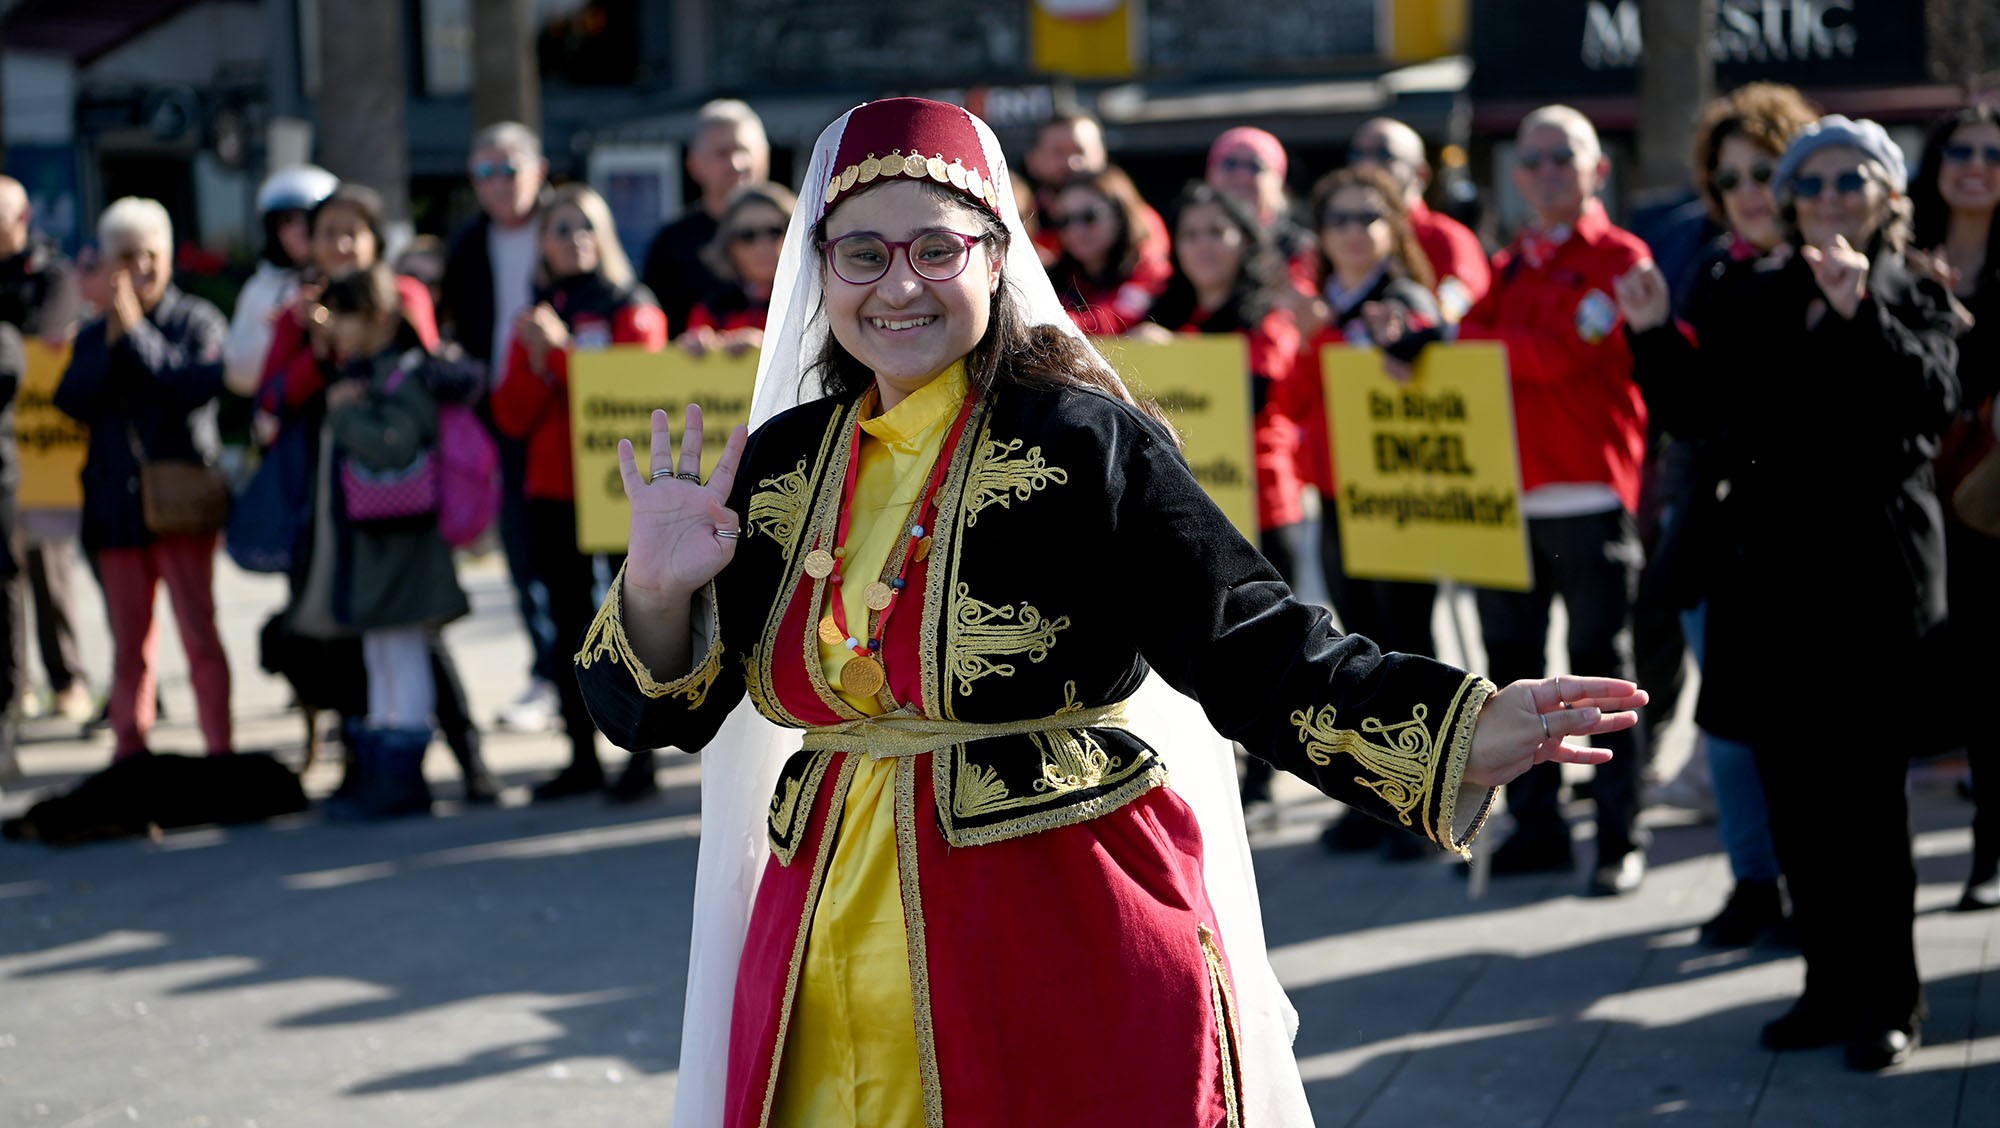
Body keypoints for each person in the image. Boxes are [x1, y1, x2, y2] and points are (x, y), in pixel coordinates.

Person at [572, 96, 1643, 1125]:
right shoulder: (782, 465)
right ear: (821, 271)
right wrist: (660, 592)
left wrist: (1453, 731)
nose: (898, 285)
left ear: (995, 257)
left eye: (935, 249)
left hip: (1053, 919)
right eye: (862, 253)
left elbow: (1247, 638)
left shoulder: (1082, 440)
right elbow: (663, 711)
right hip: (817, 926)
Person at [1617, 115, 1956, 1070]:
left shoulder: (1913, 288)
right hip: (1769, 579)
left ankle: (1893, 996)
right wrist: (1652, 333)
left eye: (1855, 181)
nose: (1831, 197)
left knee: (1870, 809)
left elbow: (1929, 404)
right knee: (1796, 799)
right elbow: (1703, 417)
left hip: (1873, 583)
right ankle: (1828, 985)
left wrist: (1863, 316)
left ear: (1890, 196)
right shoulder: (1749, 287)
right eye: (1813, 184)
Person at [1388, 106, 1655, 896]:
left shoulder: (1619, 255)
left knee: (1606, 672)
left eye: (1559, 158)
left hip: (1590, 493)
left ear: (1596, 169)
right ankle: (1537, 828)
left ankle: (1618, 837)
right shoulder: (1513, 264)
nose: (1542, 172)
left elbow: (1563, 356)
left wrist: (1450, 342)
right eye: (1530, 160)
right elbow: (1476, 345)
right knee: (1514, 678)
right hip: (1510, 502)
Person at [1647, 82, 1819, 947]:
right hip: (1720, 540)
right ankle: (1757, 882)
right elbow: (1696, 412)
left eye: (1765, 171)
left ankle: (1817, 887)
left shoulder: (1836, 274)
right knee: (1729, 727)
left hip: (1811, 548)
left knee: (1806, 735)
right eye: (1730, 178)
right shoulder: (1713, 273)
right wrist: (1650, 335)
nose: (1750, 191)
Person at [260, 185, 496, 803]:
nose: (340, 243)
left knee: (411, 644)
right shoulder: (305, 310)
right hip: (343, 506)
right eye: (327, 230)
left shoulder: (397, 307)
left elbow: (408, 405)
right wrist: (316, 346)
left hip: (400, 510)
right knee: (368, 644)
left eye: (352, 231)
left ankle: (452, 762)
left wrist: (349, 409)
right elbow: (274, 393)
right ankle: (370, 768)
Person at [492, 184, 667, 802]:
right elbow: (510, 415)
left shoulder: (632, 307)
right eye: (560, 229)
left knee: (633, 628)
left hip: (620, 492)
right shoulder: (536, 315)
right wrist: (541, 362)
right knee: (570, 626)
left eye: (585, 226)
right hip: (554, 492)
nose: (574, 239)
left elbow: (635, 393)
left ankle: (640, 759)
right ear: (541, 244)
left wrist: (562, 356)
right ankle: (580, 755)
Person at [53, 197, 232, 762]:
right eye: (128, 257)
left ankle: (220, 752)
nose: (142, 269)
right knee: (130, 646)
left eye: (151, 255)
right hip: (117, 509)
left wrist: (134, 332)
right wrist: (111, 337)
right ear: (109, 264)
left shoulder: (197, 319)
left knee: (199, 636)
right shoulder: (92, 334)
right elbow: (71, 401)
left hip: (181, 505)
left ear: (170, 257)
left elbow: (190, 384)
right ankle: (131, 754)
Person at [304, 264, 483, 819]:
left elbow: (393, 444)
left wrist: (348, 415)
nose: (332, 324)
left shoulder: (405, 375)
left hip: (405, 544)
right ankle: (386, 768)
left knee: (401, 654)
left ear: (379, 317)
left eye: (344, 312)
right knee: (383, 652)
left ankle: (404, 776)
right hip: (385, 542)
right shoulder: (378, 372)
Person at [440, 120, 562, 734]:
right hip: (499, 410)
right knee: (520, 548)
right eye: (485, 171)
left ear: (539, 170)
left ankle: (586, 674)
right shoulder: (465, 245)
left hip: (568, 407)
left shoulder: (565, 224)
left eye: (509, 168)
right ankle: (545, 671)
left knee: (577, 557)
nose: (498, 183)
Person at [1911, 105, 2000, 912]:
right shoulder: (1904, 264)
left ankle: (1988, 854)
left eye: (1992, 153)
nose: (1975, 164)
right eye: (1960, 151)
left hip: (1996, 502)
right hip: (1927, 506)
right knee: (1971, 682)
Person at [0, 174, 91, 730]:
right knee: (4, 575)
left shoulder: (50, 272)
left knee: (48, 566)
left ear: (23, 218)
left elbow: (42, 335)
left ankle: (69, 679)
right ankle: (16, 688)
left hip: (49, 449)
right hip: (5, 449)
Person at [641, 99, 771, 334]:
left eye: (744, 150)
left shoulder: (797, 227)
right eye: (722, 153)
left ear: (765, 157)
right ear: (694, 165)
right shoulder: (672, 243)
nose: (737, 163)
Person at [1347, 116, 1491, 320]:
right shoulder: (1342, 234)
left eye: (1383, 154)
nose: (1366, 164)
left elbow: (1456, 313)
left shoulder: (1446, 237)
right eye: (1356, 154)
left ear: (1420, 173)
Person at [225, 165, 337, 397]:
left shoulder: (349, 282)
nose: (299, 230)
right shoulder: (259, 289)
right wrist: (273, 332)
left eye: (307, 218)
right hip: (288, 419)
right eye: (287, 220)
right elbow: (238, 376)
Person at [1046, 167, 1172, 335]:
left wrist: (1049, 324)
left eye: (1089, 216)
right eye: (1065, 220)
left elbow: (1115, 321)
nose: (1076, 231)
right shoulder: (1056, 276)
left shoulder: (1150, 271)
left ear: (1120, 215)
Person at [679, 182, 795, 356]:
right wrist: (693, 345)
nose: (762, 245)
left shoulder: (817, 300)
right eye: (747, 236)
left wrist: (765, 345)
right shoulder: (712, 309)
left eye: (774, 231)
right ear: (729, 246)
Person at [1204, 126, 1315, 290]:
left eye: (1255, 165)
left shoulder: (1299, 248)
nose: (1241, 174)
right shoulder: (1187, 239)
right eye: (1230, 163)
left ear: (1279, 182)